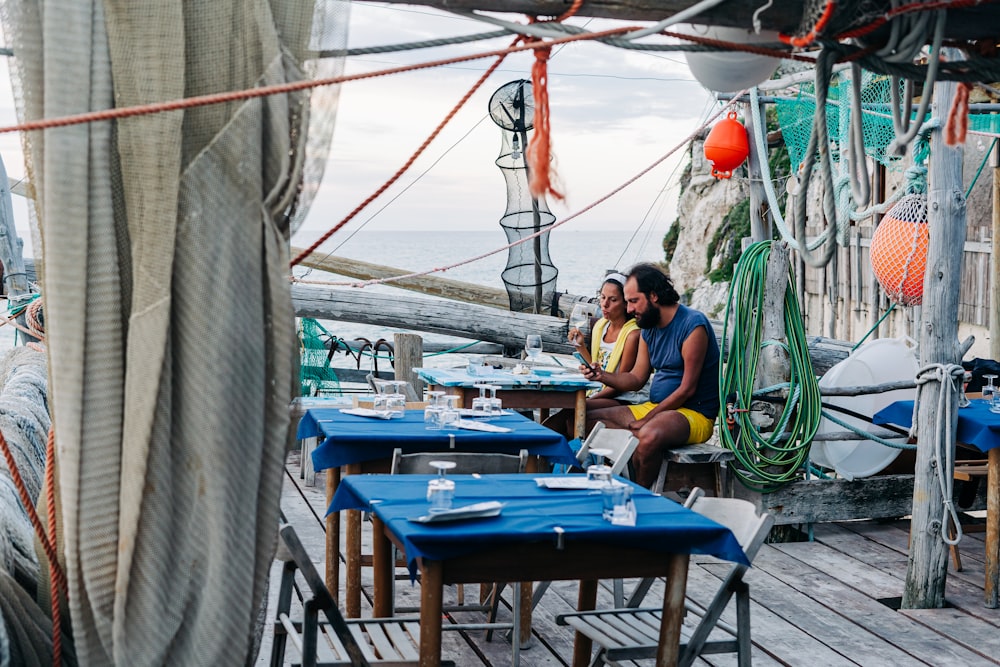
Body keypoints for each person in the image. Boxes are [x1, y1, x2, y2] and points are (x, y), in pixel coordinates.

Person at [583, 263, 720, 488]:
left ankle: (638, 497)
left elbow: (687, 389)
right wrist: (601, 375)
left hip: (692, 413)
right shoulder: (648, 327)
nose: (628, 309)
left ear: (654, 296)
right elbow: (636, 379)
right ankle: (617, 475)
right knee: (580, 416)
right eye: (627, 302)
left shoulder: (692, 325)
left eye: (633, 301)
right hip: (656, 407)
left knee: (649, 434)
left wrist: (647, 419)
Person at [545, 272, 643, 438]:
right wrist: (581, 346)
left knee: (570, 417)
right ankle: (545, 461)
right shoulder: (601, 327)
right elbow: (598, 369)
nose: (605, 304)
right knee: (555, 421)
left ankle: (565, 461)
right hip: (601, 391)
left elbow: (620, 383)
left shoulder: (632, 334)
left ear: (626, 302)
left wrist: (587, 399)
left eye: (613, 300)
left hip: (623, 398)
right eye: (603, 297)